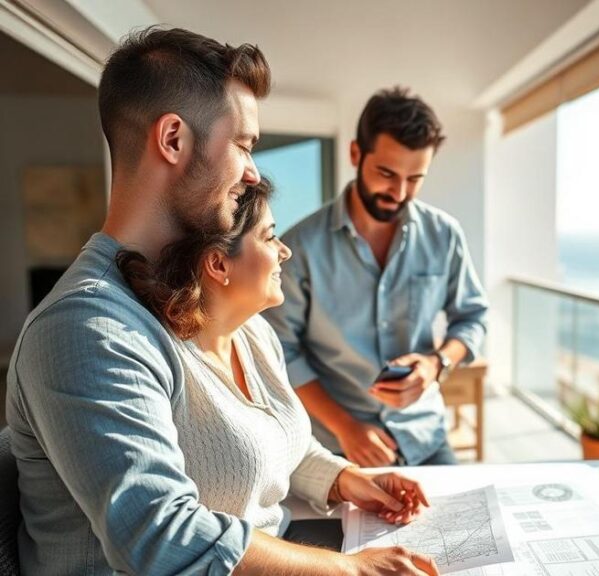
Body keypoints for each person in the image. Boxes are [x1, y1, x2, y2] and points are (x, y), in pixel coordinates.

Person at [5, 28, 437, 575]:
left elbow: (267, 444)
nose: (253, 172)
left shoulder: (207, 304)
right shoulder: (87, 328)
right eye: (244, 145)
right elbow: (160, 538)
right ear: (173, 140)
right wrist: (354, 569)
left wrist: (342, 478)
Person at [263, 87, 488, 467]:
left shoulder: (444, 235)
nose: (398, 192)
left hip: (424, 438)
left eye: (414, 178)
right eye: (386, 173)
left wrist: (437, 364)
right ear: (356, 154)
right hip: (336, 448)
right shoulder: (299, 248)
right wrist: (346, 427)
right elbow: (279, 352)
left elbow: (473, 317)